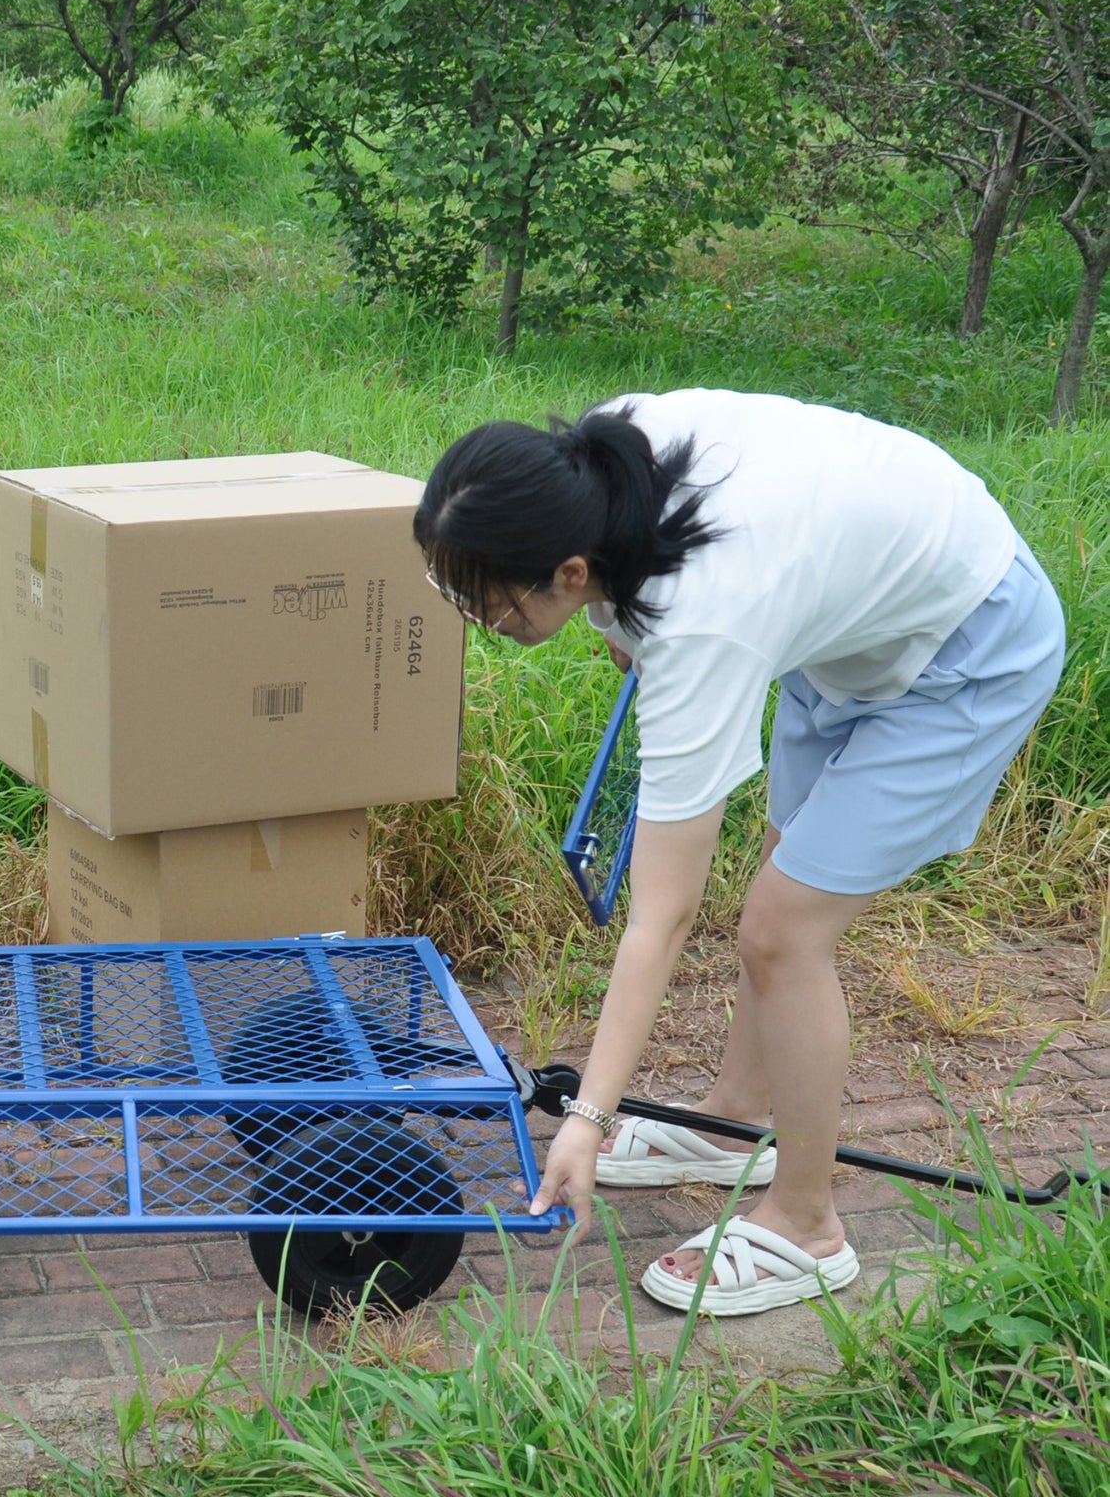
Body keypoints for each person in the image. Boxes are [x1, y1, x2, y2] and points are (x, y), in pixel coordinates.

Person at [415, 388, 1064, 1315]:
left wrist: (588, 1122)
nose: (479, 619)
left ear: (567, 569)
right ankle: (731, 1125)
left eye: (487, 603)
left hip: (964, 651)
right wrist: (619, 623)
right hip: (846, 621)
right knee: (775, 893)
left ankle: (807, 1223)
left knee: (782, 933)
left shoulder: (706, 616)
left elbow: (662, 914)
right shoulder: (598, 461)